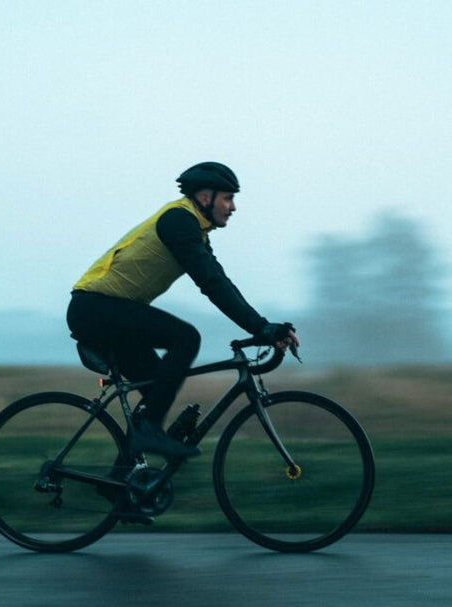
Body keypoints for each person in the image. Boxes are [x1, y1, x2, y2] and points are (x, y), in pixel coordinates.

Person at [66, 162, 299, 459]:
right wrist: (260, 328)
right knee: (186, 338)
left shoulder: (194, 230)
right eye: (227, 198)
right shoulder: (178, 221)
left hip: (106, 310)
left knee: (155, 392)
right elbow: (211, 283)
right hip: (94, 307)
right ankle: (150, 433)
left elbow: (220, 281)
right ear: (205, 198)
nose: (233, 207)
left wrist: (262, 326)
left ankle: (124, 486)